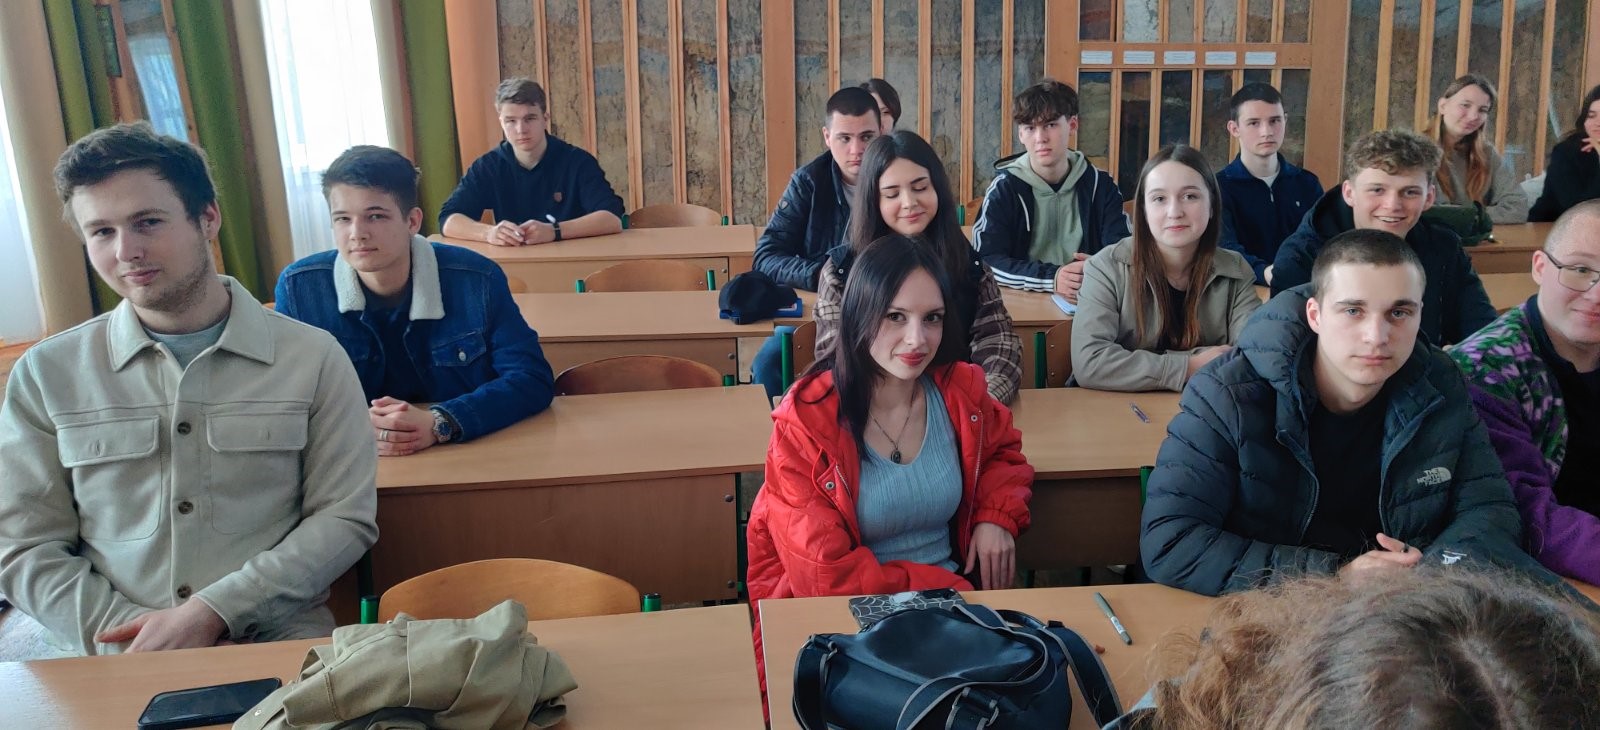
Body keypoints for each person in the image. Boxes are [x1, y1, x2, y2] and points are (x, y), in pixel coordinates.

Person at [0, 122, 378, 655]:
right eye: (101, 232)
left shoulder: (313, 358)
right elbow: (24, 547)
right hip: (102, 653)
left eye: (148, 222)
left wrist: (215, 612)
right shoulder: (46, 373)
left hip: (269, 640)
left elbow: (343, 518)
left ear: (208, 218)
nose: (127, 251)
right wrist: (130, 635)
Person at [1141, 229, 1540, 597]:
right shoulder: (1226, 394)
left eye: (1399, 313)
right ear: (1315, 315)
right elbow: (1172, 541)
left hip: (1400, 611)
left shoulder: (1441, 382)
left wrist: (1429, 571)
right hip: (1272, 611)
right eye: (1353, 311)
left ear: (1420, 313)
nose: (1377, 337)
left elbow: (1491, 510)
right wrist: (1336, 576)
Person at [746, 236, 1033, 678]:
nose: (917, 339)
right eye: (895, 316)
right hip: (848, 632)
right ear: (859, 313)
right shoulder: (807, 423)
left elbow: (1002, 455)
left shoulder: (960, 392)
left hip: (953, 622)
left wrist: (995, 515)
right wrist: (948, 593)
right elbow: (825, 577)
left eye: (932, 318)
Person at [275, 146, 555, 454]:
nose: (357, 233)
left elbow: (531, 378)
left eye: (375, 216)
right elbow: (282, 397)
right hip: (352, 458)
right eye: (342, 219)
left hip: (462, 454)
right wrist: (351, 423)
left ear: (412, 221)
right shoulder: (299, 289)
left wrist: (442, 421)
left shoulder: (477, 279)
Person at [1105, 571, 1600, 728]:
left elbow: (1484, 508)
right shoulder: (1233, 398)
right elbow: (1176, 539)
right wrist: (1337, 568)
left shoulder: (1438, 396)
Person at [1452, 200, 1600, 585]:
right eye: (1580, 270)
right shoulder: (1484, 370)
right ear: (1539, 267)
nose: (1596, 293)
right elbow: (1522, 512)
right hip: (1536, 579)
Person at [816, 131, 1024, 403]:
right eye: (892, 194)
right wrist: (891, 409)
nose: (909, 203)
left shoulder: (970, 266)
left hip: (957, 405)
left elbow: (999, 343)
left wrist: (981, 403)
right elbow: (835, 359)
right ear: (873, 201)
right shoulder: (841, 272)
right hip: (874, 409)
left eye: (920, 188)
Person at [1272, 129, 1495, 346]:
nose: (1392, 205)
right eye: (1377, 190)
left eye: (1410, 192)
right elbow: (1290, 349)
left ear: (1429, 197)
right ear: (1349, 193)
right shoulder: (1301, 255)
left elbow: (1485, 335)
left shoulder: (1445, 247)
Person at [1071, 144, 1261, 393]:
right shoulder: (1105, 267)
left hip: (1206, 407)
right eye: (1159, 199)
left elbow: (1252, 357)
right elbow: (1090, 362)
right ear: (1143, 210)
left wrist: (1136, 365)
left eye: (1190, 196)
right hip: (1116, 409)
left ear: (1213, 205)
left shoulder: (1235, 269)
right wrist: (1190, 366)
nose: (1175, 212)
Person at [750, 86, 880, 399]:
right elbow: (766, 256)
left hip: (885, 308)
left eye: (867, 137)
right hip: (819, 309)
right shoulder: (808, 182)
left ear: (882, 133)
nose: (856, 150)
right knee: (768, 361)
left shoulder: (900, 178)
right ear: (827, 137)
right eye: (844, 138)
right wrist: (822, 275)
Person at [974, 78, 1129, 299]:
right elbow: (985, 260)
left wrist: (1100, 269)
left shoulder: (1101, 186)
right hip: (1021, 300)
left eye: (1050, 125)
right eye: (1030, 128)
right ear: (1020, 135)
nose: (1041, 138)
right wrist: (1052, 278)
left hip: (1088, 298)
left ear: (1072, 125)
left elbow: (1123, 252)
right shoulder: (1005, 188)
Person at [439, 78, 623, 246]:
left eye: (530, 118)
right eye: (511, 121)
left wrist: (554, 231)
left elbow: (612, 218)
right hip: (515, 264)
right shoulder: (488, 166)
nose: (521, 129)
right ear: (501, 122)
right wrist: (488, 233)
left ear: (545, 119)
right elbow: (448, 219)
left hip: (572, 261)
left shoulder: (578, 162)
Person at [1216, 82, 1324, 285]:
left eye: (1274, 121)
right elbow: (1224, 250)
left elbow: (1323, 240)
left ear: (1285, 121)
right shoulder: (1218, 188)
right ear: (1234, 128)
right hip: (1244, 290)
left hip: (1305, 288)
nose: (1266, 131)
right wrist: (1265, 273)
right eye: (1254, 123)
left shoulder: (1307, 183)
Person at [1423, 73, 1529, 224]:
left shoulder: (1487, 153)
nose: (1473, 116)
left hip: (1478, 237)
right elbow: (1428, 212)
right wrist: (1477, 215)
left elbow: (1518, 207)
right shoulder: (1416, 151)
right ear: (1442, 106)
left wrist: (1464, 216)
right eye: (1465, 105)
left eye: (1482, 110)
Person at [1530, 83, 1600, 222]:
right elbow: (1581, 211)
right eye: (1591, 116)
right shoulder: (1566, 152)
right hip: (1553, 229)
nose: (1597, 123)